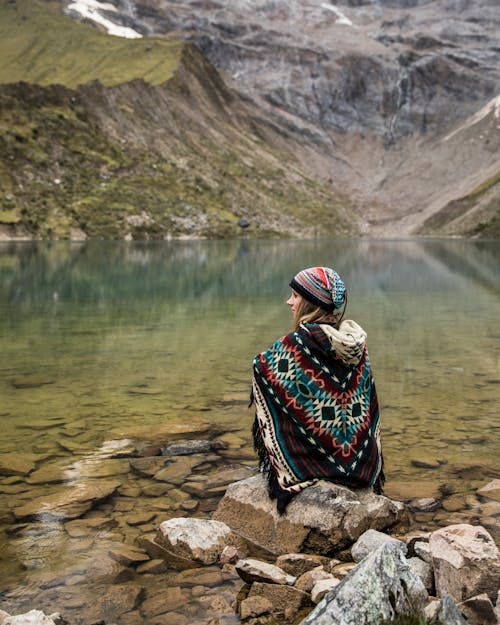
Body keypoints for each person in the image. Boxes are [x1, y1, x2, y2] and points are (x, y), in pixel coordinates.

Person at [251, 266, 384, 514]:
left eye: (296, 296)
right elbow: (364, 404)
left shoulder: (297, 344)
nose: (289, 301)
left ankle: (308, 459)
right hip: (361, 466)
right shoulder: (357, 345)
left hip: (310, 467)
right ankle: (348, 464)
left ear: (310, 303)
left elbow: (262, 369)